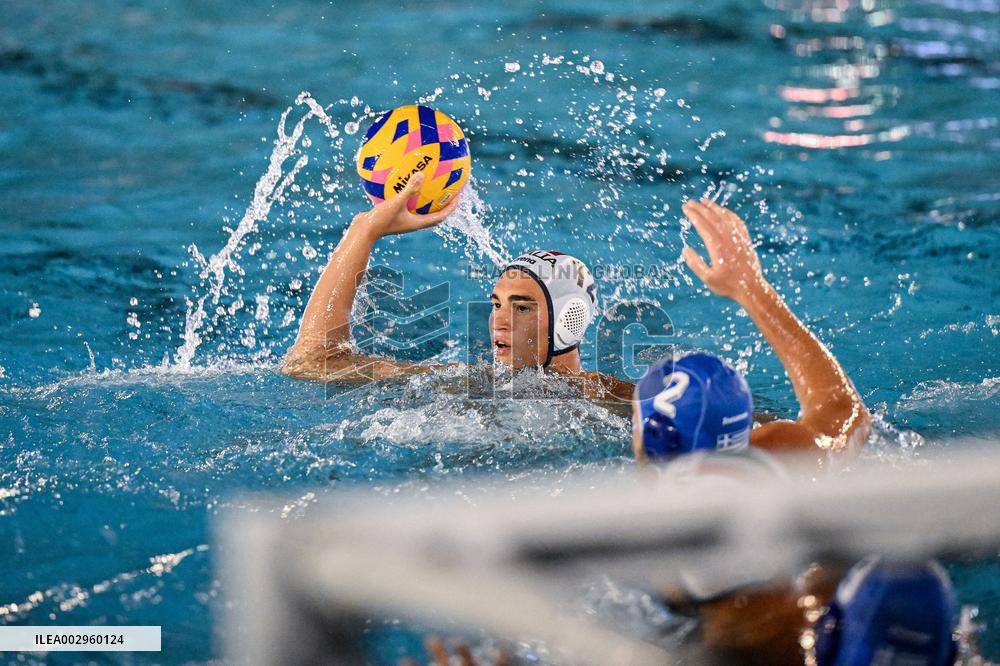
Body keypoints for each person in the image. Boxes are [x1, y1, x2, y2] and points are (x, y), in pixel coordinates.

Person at [281, 171, 632, 401]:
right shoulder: (468, 381)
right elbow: (309, 363)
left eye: (522, 306)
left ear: (568, 321)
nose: (500, 322)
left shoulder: (604, 395)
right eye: (497, 304)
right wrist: (364, 231)